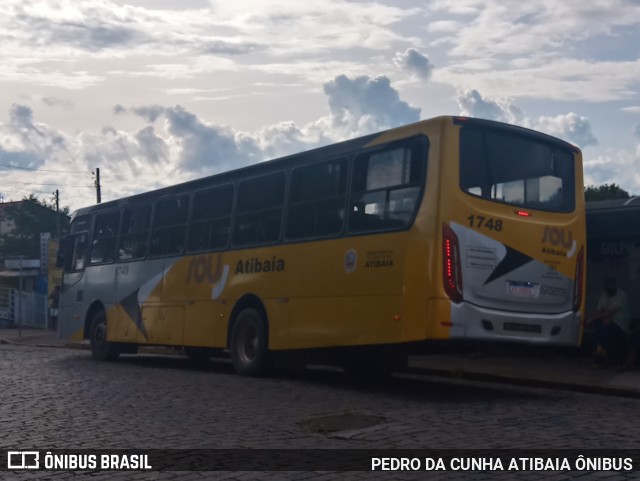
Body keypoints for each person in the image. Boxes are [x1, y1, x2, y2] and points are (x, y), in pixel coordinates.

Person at [586, 277, 631, 367]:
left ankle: (599, 355)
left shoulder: (622, 295)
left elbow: (610, 311)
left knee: (601, 328)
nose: (610, 290)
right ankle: (600, 351)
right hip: (607, 322)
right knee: (600, 326)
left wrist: (592, 319)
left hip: (620, 326)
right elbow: (598, 310)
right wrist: (603, 318)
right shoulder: (604, 294)